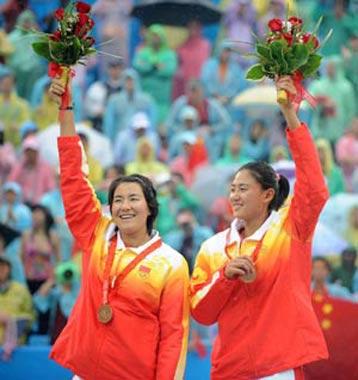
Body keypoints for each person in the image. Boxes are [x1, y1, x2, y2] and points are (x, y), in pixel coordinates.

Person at [48, 77, 189, 380]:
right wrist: (66, 110)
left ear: (150, 207)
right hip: (86, 373)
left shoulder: (172, 264)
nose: (125, 206)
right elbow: (73, 178)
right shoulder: (96, 234)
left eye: (133, 199)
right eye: (118, 200)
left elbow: (173, 338)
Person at [190, 76, 330, 379]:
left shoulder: (291, 229)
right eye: (232, 189)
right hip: (230, 369)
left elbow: (315, 189)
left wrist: (290, 116)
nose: (235, 196)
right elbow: (201, 312)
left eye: (243, 189)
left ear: (268, 194)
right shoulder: (213, 248)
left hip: (277, 367)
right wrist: (225, 277)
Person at [0, 257, 34, 360]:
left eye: (3, 266)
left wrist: (11, 320)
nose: (0, 269)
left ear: (9, 269)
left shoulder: (21, 290)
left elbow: (31, 318)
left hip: (16, 348)